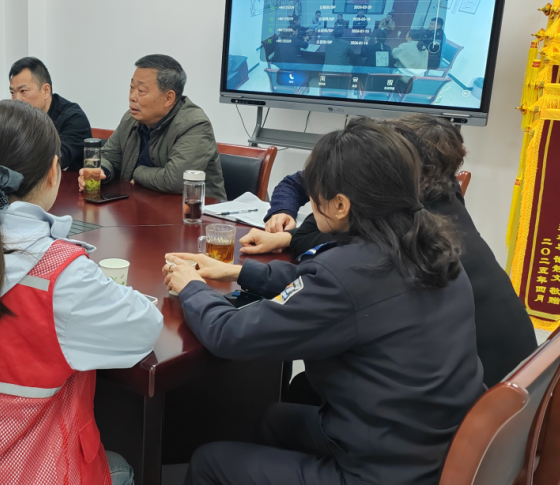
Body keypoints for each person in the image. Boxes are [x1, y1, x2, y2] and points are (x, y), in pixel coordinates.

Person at [165, 118, 482, 485]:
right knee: (273, 419)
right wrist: (237, 272)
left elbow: (229, 334)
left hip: (384, 471)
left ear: (341, 204)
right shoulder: (430, 242)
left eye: (314, 193)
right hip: (433, 443)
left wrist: (192, 287)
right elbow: (336, 288)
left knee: (209, 461)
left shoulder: (348, 270)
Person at [0, 100, 162, 484]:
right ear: (54, 172)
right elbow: (144, 328)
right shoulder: (58, 275)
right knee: (122, 468)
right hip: (27, 473)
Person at [250, 115, 539, 388]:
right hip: (517, 379)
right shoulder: (446, 197)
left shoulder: (413, 227)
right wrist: (284, 218)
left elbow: (320, 245)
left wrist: (289, 239)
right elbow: (302, 185)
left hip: (481, 396)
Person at [83, 54, 226, 198]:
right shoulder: (130, 119)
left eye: (141, 91)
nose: (132, 96)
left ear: (168, 98)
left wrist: (137, 172)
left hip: (194, 214)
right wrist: (100, 172)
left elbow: (175, 180)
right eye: (131, 88)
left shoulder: (195, 125)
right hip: (138, 208)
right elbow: (109, 156)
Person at [9, 57, 92, 172]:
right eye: (12, 93)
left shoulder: (74, 118)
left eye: (23, 91)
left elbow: (55, 160)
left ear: (46, 91)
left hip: (69, 186)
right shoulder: (16, 118)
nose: (16, 100)